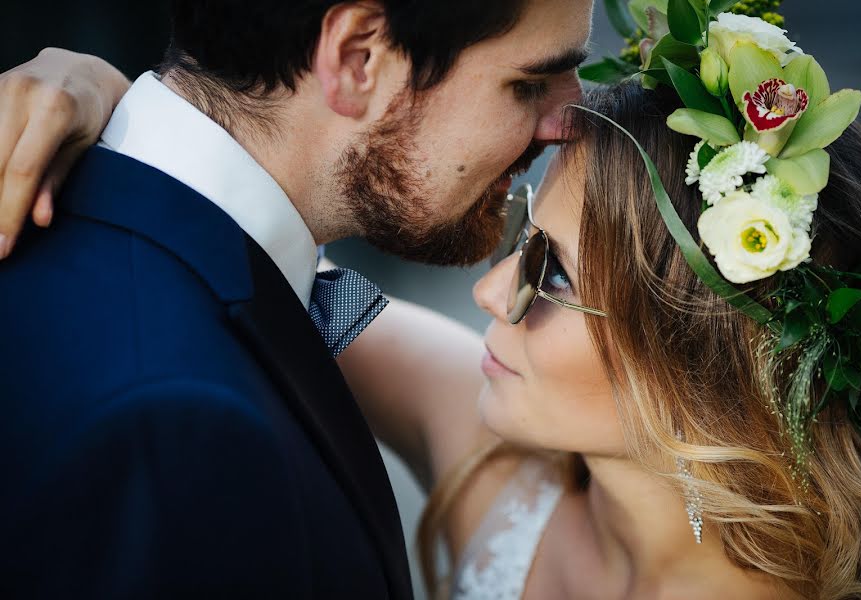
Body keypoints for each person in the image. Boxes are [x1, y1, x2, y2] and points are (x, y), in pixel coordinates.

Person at [4, 69, 861, 600]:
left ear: (699, 362)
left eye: (550, 276)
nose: (486, 291)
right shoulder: (491, 460)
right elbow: (268, 262)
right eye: (524, 243)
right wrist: (103, 95)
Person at [0, 1, 592, 597]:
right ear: (357, 58)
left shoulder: (112, 238)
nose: (569, 123)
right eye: (528, 85)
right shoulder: (177, 431)